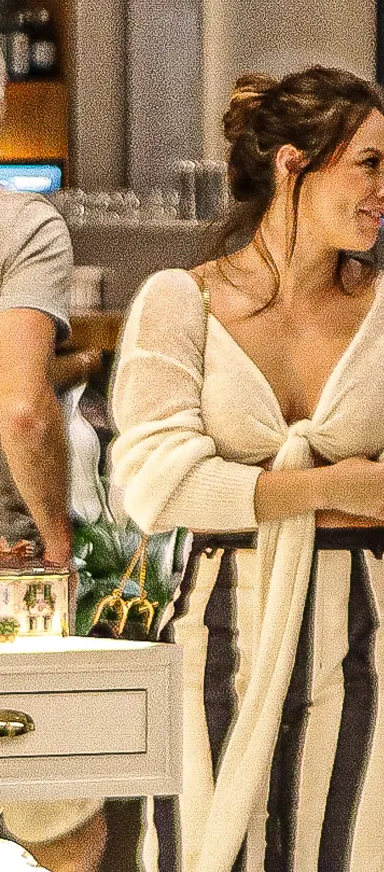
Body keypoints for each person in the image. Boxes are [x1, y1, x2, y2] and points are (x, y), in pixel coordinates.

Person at [108, 66, 384, 872]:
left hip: (367, 636)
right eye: (369, 163)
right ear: (294, 164)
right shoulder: (177, 302)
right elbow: (155, 483)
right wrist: (331, 487)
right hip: (217, 628)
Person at [0, 61, 108, 872]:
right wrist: (55, 536)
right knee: (61, 825)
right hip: (10, 568)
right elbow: (25, 410)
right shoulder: (21, 226)